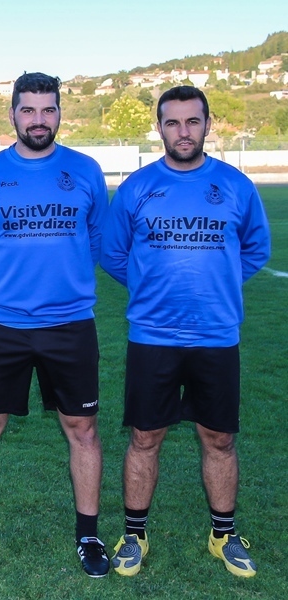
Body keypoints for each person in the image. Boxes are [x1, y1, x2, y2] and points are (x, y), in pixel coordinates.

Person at [100, 85, 271, 578]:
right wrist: (152, 286)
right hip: (152, 336)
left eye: (192, 121)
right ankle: (134, 535)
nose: (183, 131)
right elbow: (112, 253)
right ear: (159, 128)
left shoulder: (236, 186)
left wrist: (216, 285)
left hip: (216, 334)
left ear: (208, 125)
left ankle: (223, 536)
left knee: (219, 438)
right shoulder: (137, 187)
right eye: (172, 122)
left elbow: (255, 249)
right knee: (145, 436)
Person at [0, 72, 110, 578]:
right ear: (13, 114)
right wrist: (6, 285)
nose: (38, 120)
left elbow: (98, 238)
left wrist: (62, 283)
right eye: (28, 110)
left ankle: (88, 536)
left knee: (82, 429)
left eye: (48, 110)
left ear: (60, 113)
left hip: (70, 324)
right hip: (2, 325)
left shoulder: (85, 171)